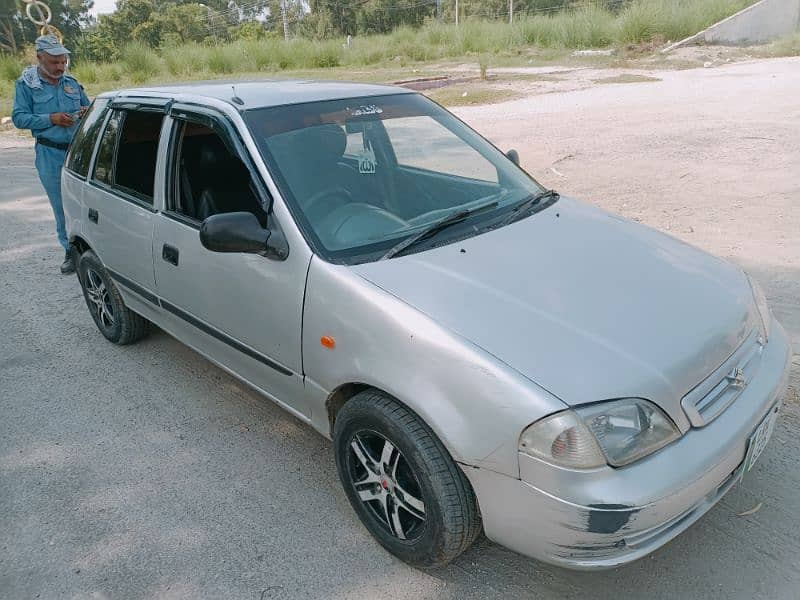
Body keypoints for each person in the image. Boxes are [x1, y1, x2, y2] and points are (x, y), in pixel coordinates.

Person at [12, 34, 90, 274]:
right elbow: (19, 117)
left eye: (62, 61)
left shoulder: (72, 83)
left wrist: (86, 111)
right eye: (53, 62)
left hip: (78, 151)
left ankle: (92, 248)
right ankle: (70, 251)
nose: (59, 67)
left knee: (89, 202)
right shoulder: (26, 85)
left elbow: (88, 107)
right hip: (50, 153)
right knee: (61, 204)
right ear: (39, 58)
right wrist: (50, 118)